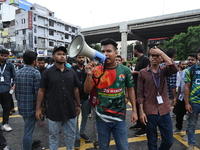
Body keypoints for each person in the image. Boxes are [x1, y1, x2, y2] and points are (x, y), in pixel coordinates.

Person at [84, 38, 138, 150]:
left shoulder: (125, 70)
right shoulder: (96, 70)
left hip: (120, 117)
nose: (105, 54)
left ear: (116, 53)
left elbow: (131, 89)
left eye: (108, 51)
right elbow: (87, 90)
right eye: (103, 51)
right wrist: (89, 75)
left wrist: (134, 111)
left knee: (123, 147)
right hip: (101, 117)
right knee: (103, 147)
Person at [36, 46, 81, 150]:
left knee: (70, 135)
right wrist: (38, 108)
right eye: (59, 54)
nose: (62, 56)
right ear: (53, 56)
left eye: (63, 54)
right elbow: (41, 90)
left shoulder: (71, 72)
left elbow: (75, 89)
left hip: (70, 109)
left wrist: (78, 104)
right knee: (53, 136)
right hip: (54, 110)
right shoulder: (47, 73)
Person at [137, 46, 178, 150]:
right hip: (149, 111)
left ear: (161, 58)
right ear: (149, 58)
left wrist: (161, 52)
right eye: (152, 56)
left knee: (169, 141)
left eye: (157, 56)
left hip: (164, 110)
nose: (154, 58)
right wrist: (141, 112)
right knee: (152, 142)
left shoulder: (164, 70)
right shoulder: (143, 72)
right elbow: (140, 93)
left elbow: (175, 67)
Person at [15, 51, 41, 150]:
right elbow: (38, 93)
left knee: (28, 128)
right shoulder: (35, 72)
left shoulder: (19, 72)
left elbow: (16, 90)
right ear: (34, 61)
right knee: (28, 131)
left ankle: (30, 144)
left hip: (22, 106)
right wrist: (39, 107)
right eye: (37, 59)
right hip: (31, 107)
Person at [173, 55, 197, 135]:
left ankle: (188, 134)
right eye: (189, 60)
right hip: (182, 97)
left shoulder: (197, 72)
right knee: (179, 114)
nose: (190, 61)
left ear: (197, 61)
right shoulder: (184, 72)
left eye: (192, 60)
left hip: (193, 98)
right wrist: (176, 98)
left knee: (192, 118)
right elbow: (180, 86)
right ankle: (178, 128)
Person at [129, 44, 150, 137]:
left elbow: (147, 72)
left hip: (144, 87)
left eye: (134, 50)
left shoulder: (145, 59)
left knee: (143, 107)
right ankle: (138, 124)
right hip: (137, 86)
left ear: (136, 50)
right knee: (137, 105)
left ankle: (144, 128)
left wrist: (134, 72)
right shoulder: (138, 60)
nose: (133, 52)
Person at [72, 55, 90, 149]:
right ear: (76, 59)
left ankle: (82, 132)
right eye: (79, 57)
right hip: (75, 99)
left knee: (85, 117)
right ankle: (76, 137)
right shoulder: (72, 69)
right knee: (75, 118)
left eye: (83, 57)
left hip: (86, 97)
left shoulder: (87, 69)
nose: (81, 59)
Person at [184, 53, 200, 150]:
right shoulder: (190, 70)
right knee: (192, 124)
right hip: (194, 102)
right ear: (198, 55)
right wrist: (187, 103)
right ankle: (191, 144)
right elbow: (186, 87)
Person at [0, 49, 16, 132]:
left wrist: (13, 86)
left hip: (6, 89)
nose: (3, 57)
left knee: (6, 108)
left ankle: (5, 124)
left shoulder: (10, 65)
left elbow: (14, 77)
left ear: (8, 56)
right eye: (1, 55)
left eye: (5, 56)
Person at [37, 57, 47, 127]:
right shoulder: (36, 70)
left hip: (45, 91)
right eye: (39, 63)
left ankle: (42, 118)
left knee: (45, 106)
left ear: (45, 63)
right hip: (38, 90)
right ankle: (40, 117)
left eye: (42, 63)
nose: (40, 64)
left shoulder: (47, 71)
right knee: (39, 105)